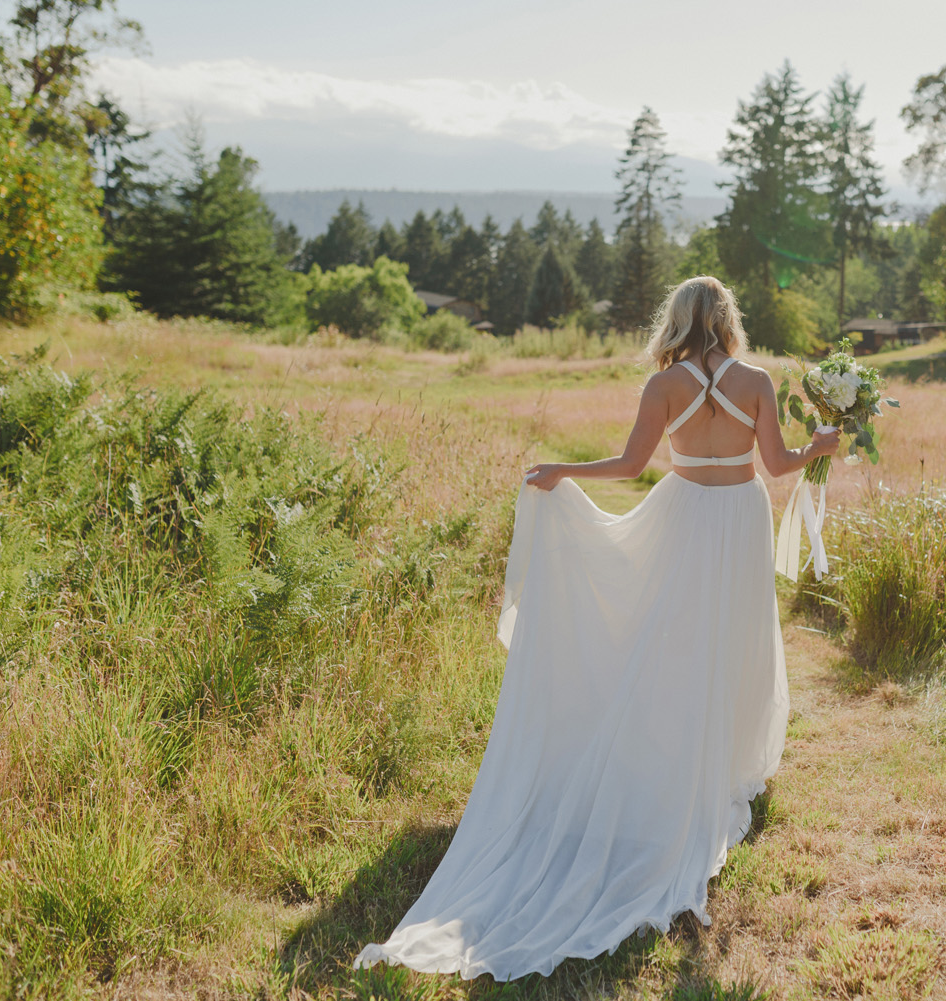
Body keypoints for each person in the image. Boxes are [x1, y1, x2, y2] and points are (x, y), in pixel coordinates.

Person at [354, 275, 840, 979]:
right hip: (739, 520)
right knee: (733, 642)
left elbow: (630, 465)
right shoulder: (759, 380)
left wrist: (561, 470)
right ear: (727, 318)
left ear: (677, 321)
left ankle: (675, 753)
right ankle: (722, 760)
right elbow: (776, 465)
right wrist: (819, 445)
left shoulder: (662, 387)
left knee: (673, 644)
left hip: (683, 516)